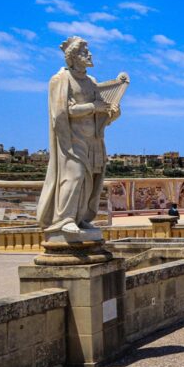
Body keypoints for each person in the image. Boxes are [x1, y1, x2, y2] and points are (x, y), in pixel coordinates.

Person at [37, 36, 123, 236]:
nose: (90, 55)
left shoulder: (92, 82)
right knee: (73, 177)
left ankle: (81, 217)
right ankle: (64, 218)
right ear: (73, 57)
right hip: (72, 140)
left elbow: (101, 115)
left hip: (93, 140)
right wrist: (93, 106)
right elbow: (60, 112)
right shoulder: (60, 79)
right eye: (84, 52)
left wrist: (113, 113)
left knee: (89, 181)